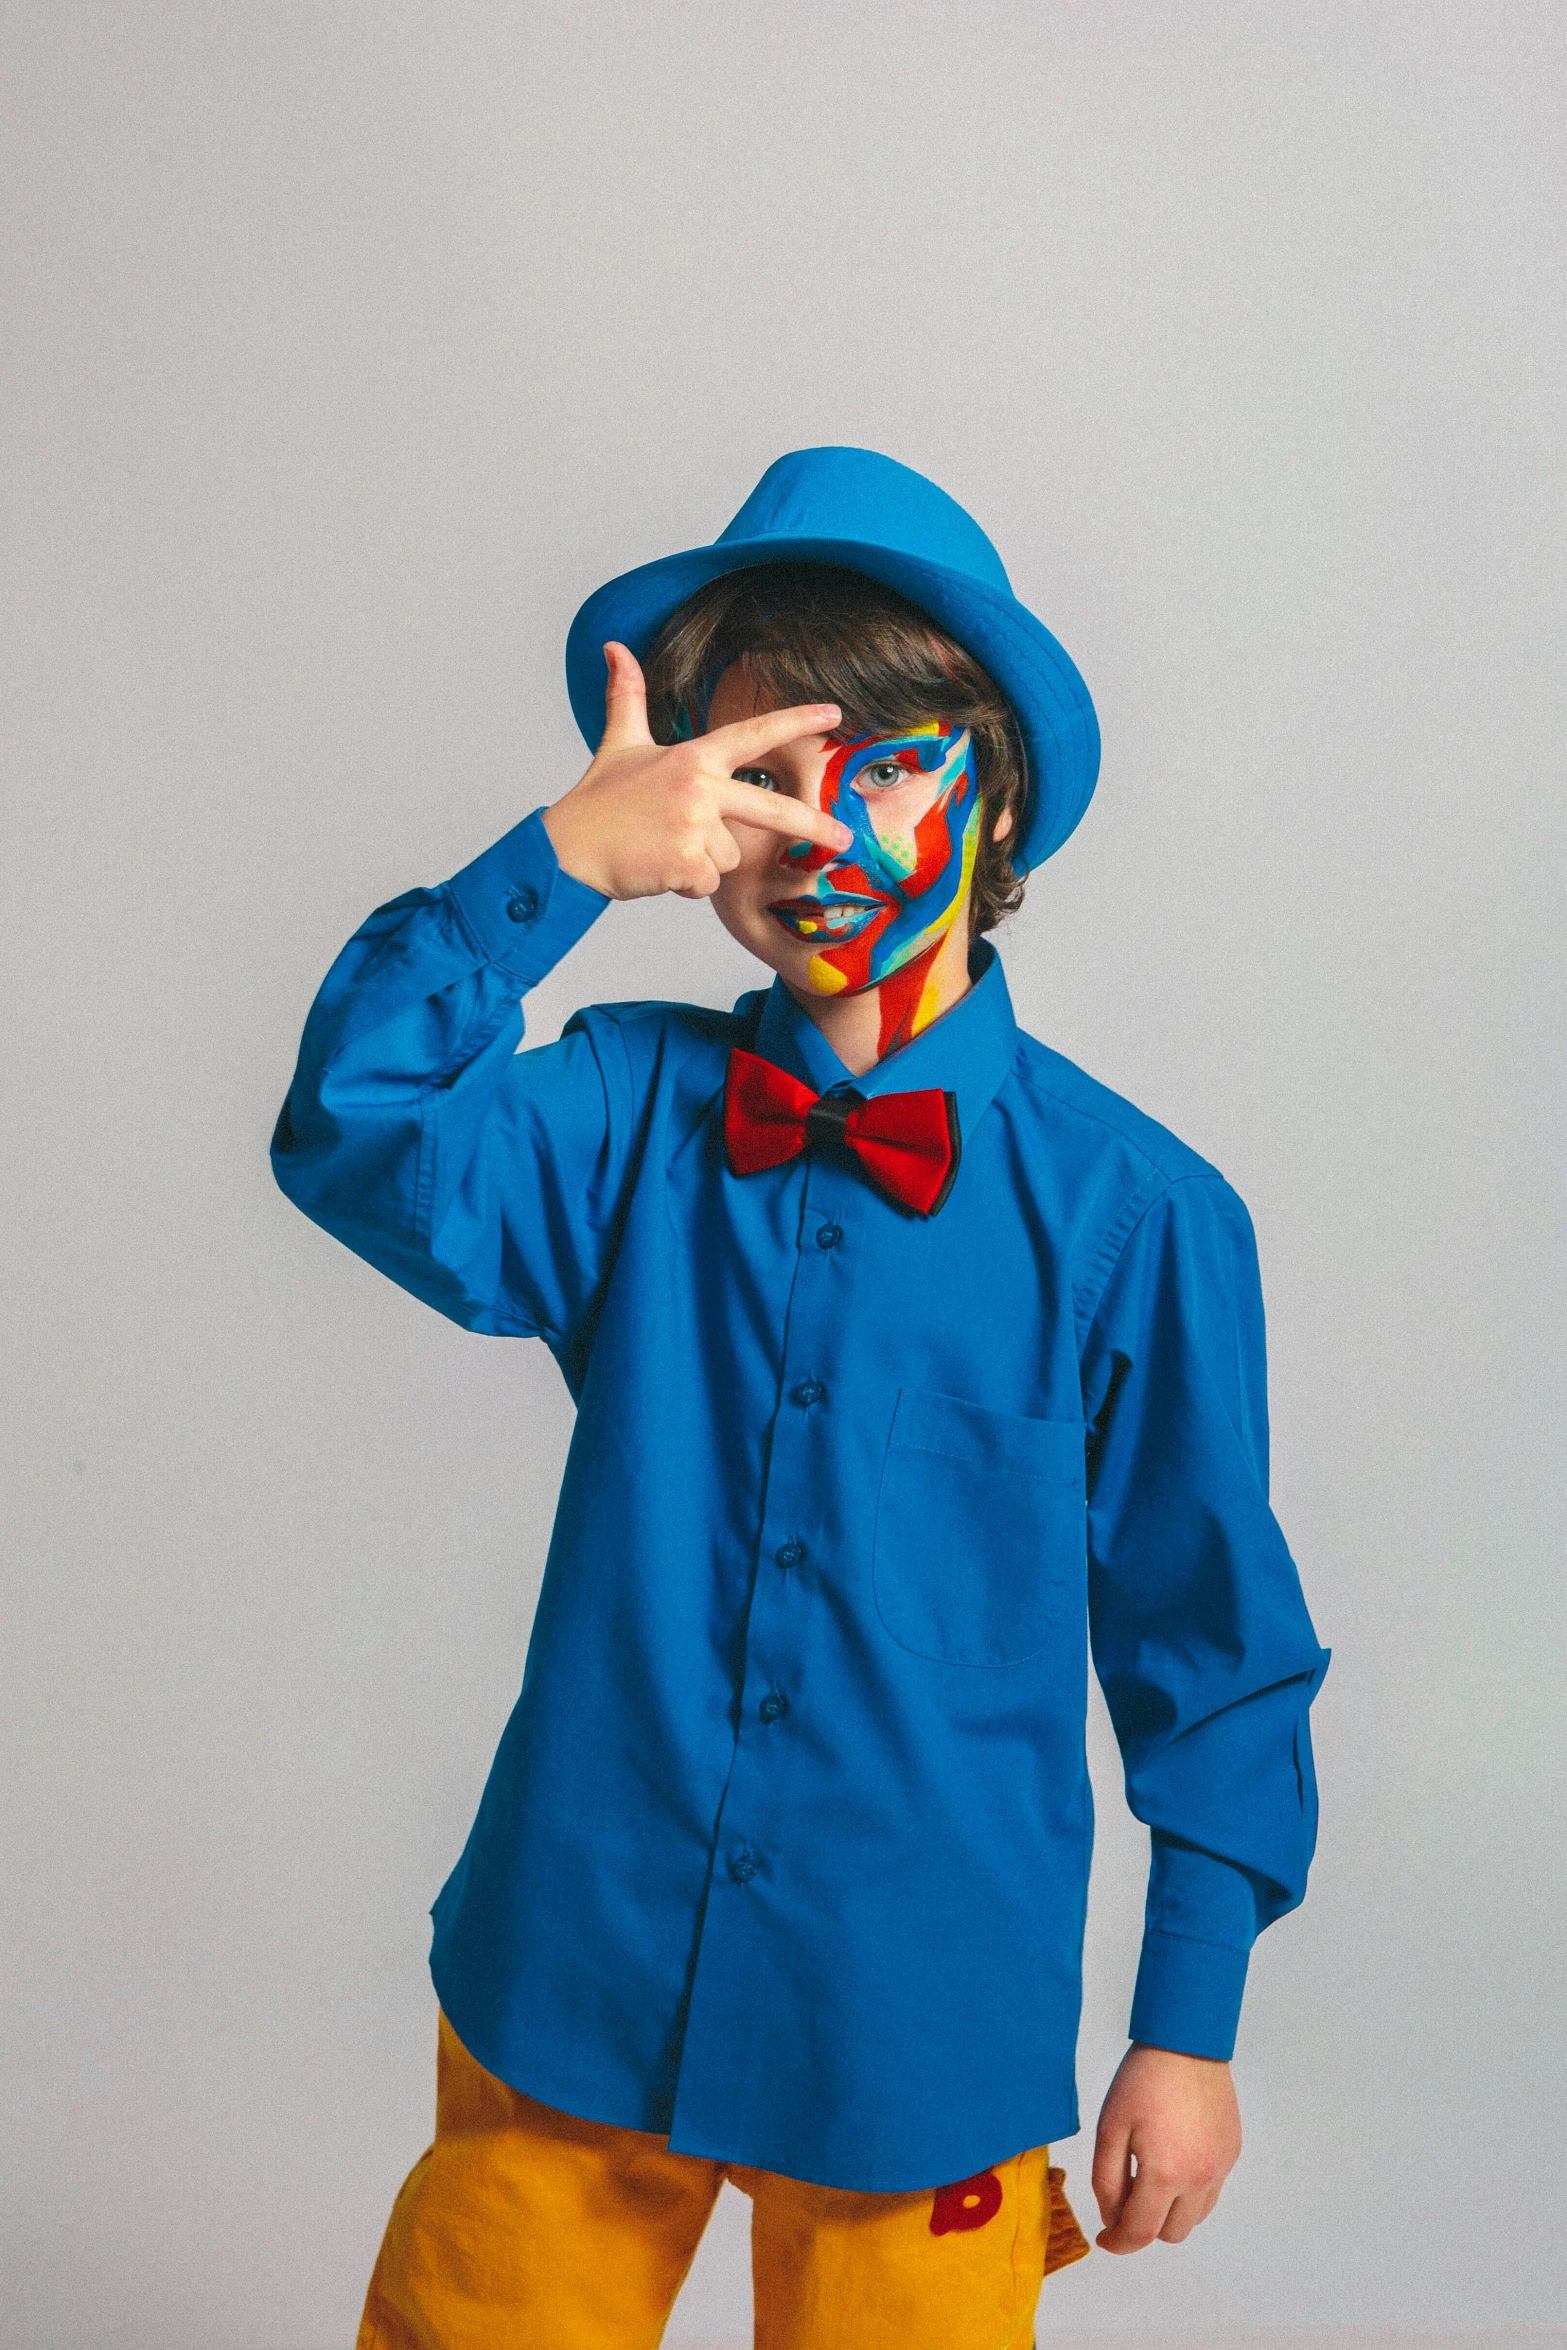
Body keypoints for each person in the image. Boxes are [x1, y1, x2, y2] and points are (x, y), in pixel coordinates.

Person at [271, 447, 1330, 2350]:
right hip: (565, 1977)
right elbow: (353, 1131)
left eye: (883, 761)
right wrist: (552, 869)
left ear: (988, 784)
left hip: (914, 2029)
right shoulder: (614, 1111)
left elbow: (1214, 1645)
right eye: (754, 778)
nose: (814, 836)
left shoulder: (1136, 1216)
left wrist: (1189, 2019)